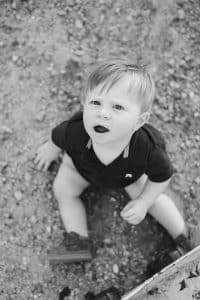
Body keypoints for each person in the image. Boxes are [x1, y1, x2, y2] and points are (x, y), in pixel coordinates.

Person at [35, 60, 192, 266]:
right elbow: (57, 138)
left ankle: (184, 237)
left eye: (117, 107)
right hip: (80, 169)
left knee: (153, 199)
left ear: (139, 121)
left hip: (128, 178)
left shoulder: (147, 148)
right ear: (84, 104)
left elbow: (162, 176)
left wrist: (144, 201)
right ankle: (78, 241)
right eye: (95, 103)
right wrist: (49, 150)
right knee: (63, 189)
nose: (103, 113)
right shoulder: (75, 130)